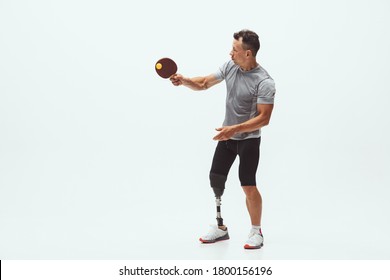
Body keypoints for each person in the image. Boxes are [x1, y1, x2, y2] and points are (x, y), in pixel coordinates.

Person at [170, 29, 275, 249]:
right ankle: (220, 227)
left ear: (248, 53)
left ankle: (256, 231)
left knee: (248, 184)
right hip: (227, 137)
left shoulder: (265, 81)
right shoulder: (230, 66)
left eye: (235, 50)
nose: (230, 53)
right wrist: (185, 80)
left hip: (249, 140)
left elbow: (264, 118)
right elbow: (204, 83)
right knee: (215, 179)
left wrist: (234, 129)